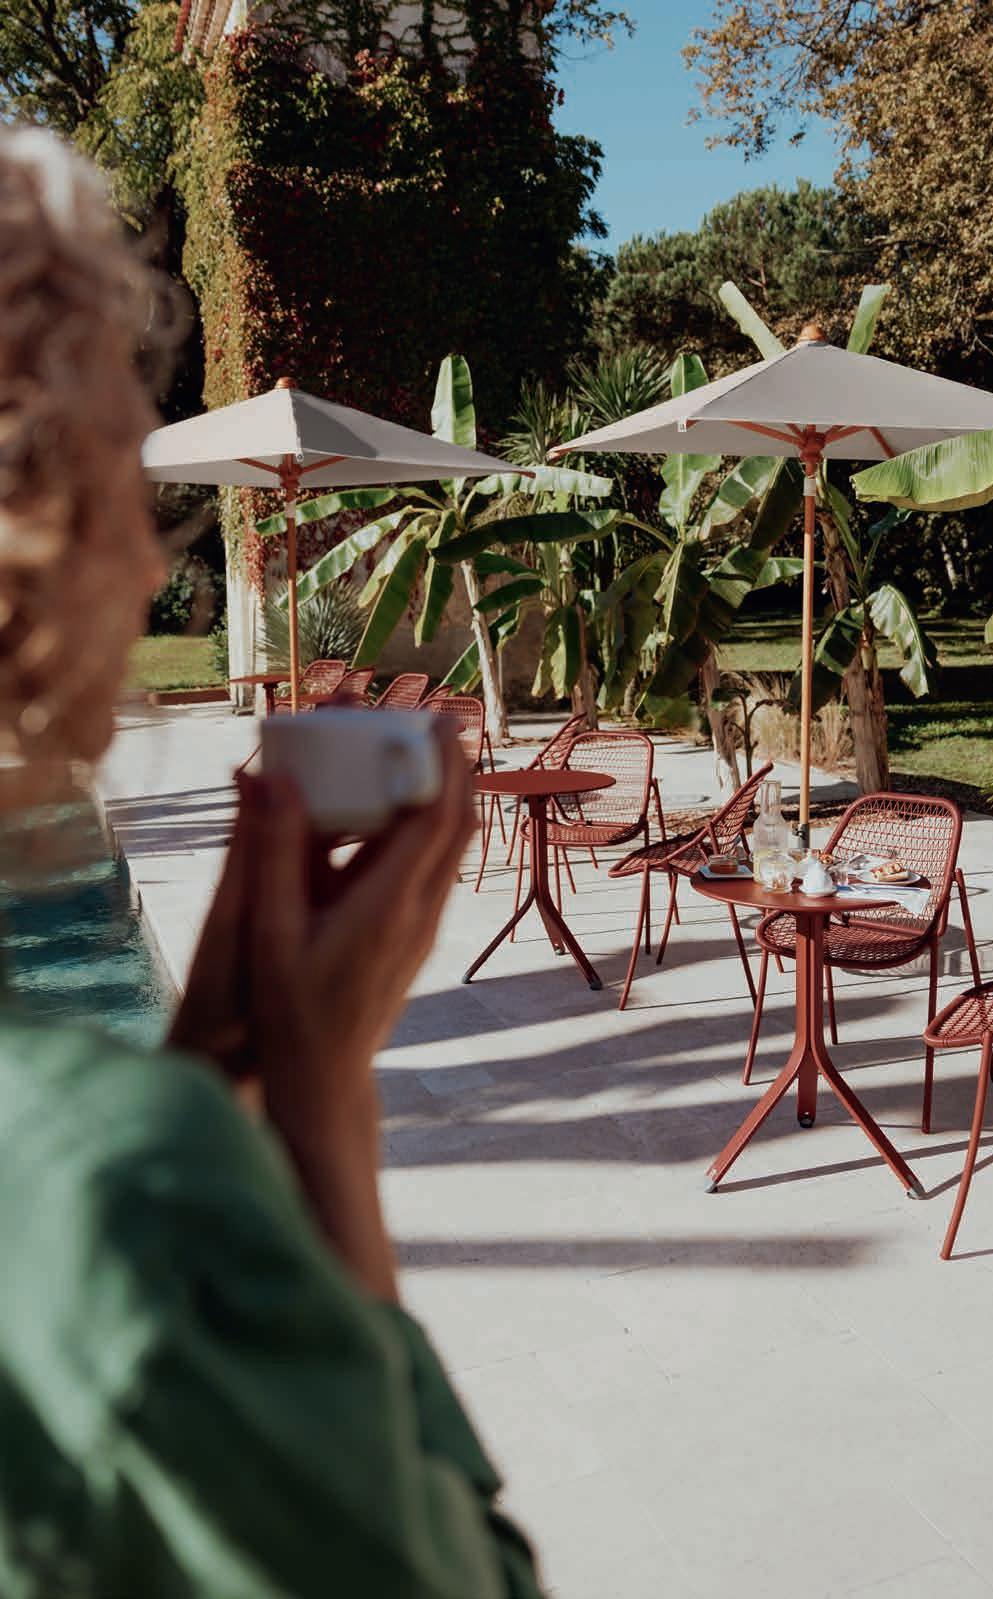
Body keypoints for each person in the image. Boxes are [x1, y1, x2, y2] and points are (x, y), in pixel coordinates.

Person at [0, 126, 545, 1597]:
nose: (153, 550)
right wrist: (316, 1109)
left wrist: (218, 1058)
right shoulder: (127, 1196)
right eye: (122, 475)